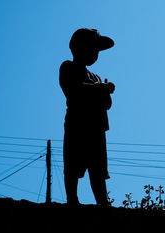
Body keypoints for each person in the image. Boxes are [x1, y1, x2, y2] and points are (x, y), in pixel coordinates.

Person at [59, 28, 115, 206]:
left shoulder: (96, 77)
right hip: (77, 125)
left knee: (97, 170)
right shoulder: (67, 67)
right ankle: (72, 200)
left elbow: (107, 104)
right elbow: (74, 90)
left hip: (96, 128)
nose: (95, 53)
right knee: (73, 165)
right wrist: (100, 90)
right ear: (77, 48)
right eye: (92, 48)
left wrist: (104, 91)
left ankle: (102, 202)